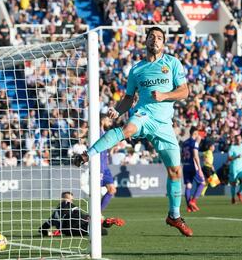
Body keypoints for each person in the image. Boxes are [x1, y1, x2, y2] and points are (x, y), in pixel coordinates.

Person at [73, 26, 193, 236]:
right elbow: (129, 99)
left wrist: (164, 96)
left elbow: (184, 91)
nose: (155, 40)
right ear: (145, 41)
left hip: (164, 124)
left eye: (159, 38)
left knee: (176, 172)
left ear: (163, 43)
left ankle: (174, 216)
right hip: (143, 114)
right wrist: (116, 111)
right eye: (152, 37)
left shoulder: (172, 63)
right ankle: (87, 154)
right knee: (127, 128)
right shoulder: (137, 70)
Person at [39, 192, 124, 237]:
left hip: (69, 232)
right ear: (70, 200)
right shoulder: (73, 207)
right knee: (102, 230)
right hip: (77, 227)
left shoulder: (55, 214)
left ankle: (104, 222)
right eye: (70, 199)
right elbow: (80, 217)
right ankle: (105, 222)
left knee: (97, 226)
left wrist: (49, 233)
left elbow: (42, 229)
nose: (70, 201)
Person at [181, 126, 205, 212]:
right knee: (202, 183)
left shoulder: (184, 143)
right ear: (195, 133)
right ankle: (193, 201)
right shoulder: (194, 143)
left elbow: (182, 156)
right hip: (193, 166)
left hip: (185, 165)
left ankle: (188, 207)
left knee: (188, 185)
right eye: (197, 133)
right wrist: (200, 169)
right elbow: (195, 156)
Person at [99, 115, 117, 212]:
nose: (110, 122)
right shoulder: (96, 132)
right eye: (108, 120)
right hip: (99, 166)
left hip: (105, 167)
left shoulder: (103, 132)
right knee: (96, 193)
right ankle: (93, 216)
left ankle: (97, 213)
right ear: (102, 120)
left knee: (112, 190)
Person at [228, 135, 242, 204]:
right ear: (235, 140)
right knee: (233, 184)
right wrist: (236, 157)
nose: (239, 140)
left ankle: (239, 193)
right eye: (237, 139)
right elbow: (229, 158)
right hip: (234, 168)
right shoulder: (232, 147)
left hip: (241, 167)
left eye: (240, 139)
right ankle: (233, 198)